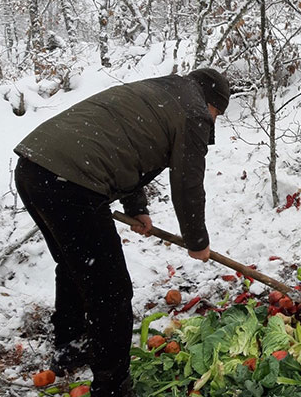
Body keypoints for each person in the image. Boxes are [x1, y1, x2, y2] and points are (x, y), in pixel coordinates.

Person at [13, 68, 231, 396]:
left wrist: (136, 209)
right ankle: (112, 387)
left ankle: (69, 348)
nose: (214, 120)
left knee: (76, 267)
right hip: (72, 182)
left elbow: (124, 143)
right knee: (111, 292)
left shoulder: (160, 91)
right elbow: (187, 182)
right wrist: (196, 240)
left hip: (35, 169)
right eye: (218, 113)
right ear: (212, 102)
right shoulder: (194, 111)